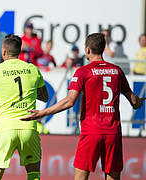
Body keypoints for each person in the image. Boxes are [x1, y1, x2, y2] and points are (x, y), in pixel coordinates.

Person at [21, 33, 144, 180]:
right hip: (113, 132)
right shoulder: (117, 71)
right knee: (113, 177)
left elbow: (70, 101)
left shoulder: (83, 72)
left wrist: (42, 113)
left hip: (91, 131)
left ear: (87, 50)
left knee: (80, 177)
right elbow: (135, 102)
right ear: (103, 48)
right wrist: (139, 101)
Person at [0, 34, 49, 180]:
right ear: (19, 51)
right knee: (33, 174)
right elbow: (44, 96)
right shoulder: (32, 69)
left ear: (3, 52)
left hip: (4, 128)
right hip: (28, 129)